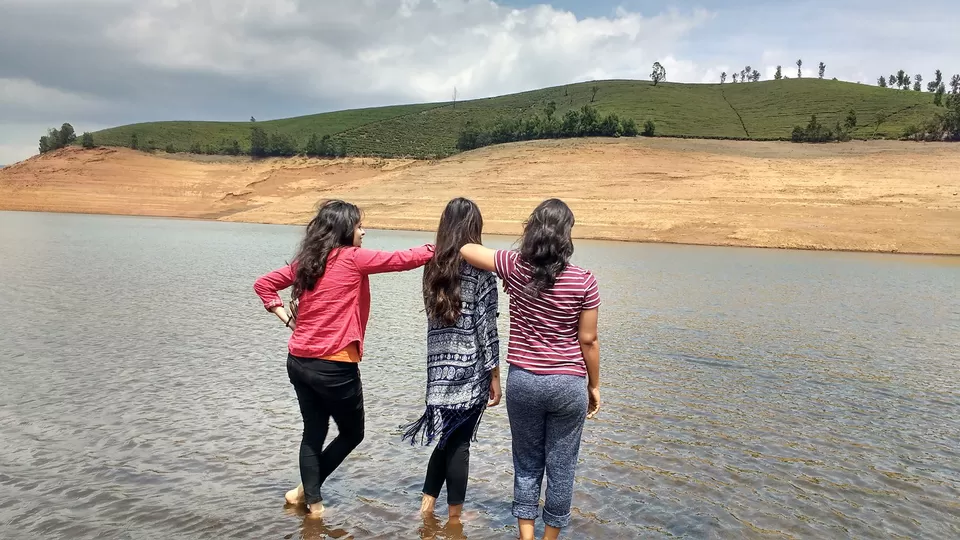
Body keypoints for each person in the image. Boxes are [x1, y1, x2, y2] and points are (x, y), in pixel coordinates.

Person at [253, 199, 434, 518]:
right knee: (353, 433)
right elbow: (402, 259)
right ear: (344, 229)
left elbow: (264, 285)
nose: (364, 231)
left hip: (298, 360)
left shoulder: (308, 261)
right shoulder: (352, 258)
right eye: (359, 225)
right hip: (334, 365)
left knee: (313, 432)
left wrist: (286, 319)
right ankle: (310, 499)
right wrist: (443, 245)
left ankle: (311, 503)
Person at [460, 198, 601, 540]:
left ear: (532, 230)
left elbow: (466, 249)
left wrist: (511, 265)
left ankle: (526, 538)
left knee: (526, 463)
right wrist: (594, 386)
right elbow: (589, 341)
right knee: (562, 467)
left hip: (523, 380)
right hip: (568, 383)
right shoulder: (585, 281)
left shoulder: (515, 266)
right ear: (567, 236)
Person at [400, 197, 502, 522]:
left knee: (447, 439)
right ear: (475, 227)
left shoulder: (432, 265)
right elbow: (487, 326)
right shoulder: (481, 269)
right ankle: (455, 519)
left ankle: (426, 509)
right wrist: (495, 374)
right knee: (459, 445)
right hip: (470, 369)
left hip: (438, 370)